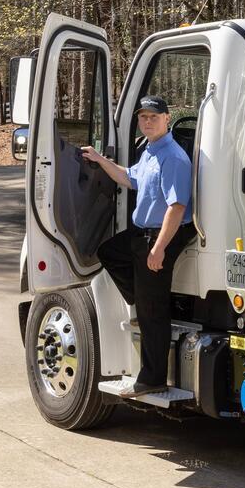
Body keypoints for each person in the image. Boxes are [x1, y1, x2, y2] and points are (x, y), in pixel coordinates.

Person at [81, 96, 193, 394]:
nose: (147, 121)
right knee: (109, 251)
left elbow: (177, 207)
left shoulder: (174, 156)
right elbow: (128, 178)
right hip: (142, 233)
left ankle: (152, 379)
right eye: (143, 116)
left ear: (167, 118)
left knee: (153, 314)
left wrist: (159, 250)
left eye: (153, 117)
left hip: (161, 235)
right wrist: (99, 159)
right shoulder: (150, 152)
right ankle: (141, 296)